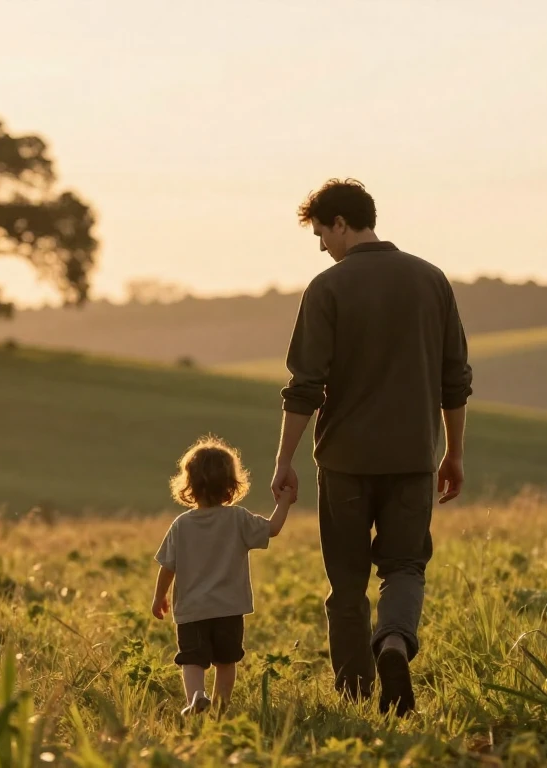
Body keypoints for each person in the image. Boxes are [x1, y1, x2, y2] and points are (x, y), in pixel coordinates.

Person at [270, 179, 473, 716]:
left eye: (320, 232)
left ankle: (356, 695)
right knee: (405, 567)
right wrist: (452, 453)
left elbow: (305, 386)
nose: (320, 246)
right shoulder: (432, 281)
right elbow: (456, 380)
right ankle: (394, 643)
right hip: (412, 458)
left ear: (340, 223)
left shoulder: (327, 288)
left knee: (346, 583)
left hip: (344, 461)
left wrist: (284, 459)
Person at [151, 436, 293, 715]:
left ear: (189, 484)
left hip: (192, 610)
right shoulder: (238, 519)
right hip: (229, 608)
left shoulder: (182, 524)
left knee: (192, 660)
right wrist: (285, 501)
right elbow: (272, 529)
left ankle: (196, 698)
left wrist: (159, 596)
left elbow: (167, 566)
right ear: (231, 485)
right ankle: (220, 709)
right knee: (226, 661)